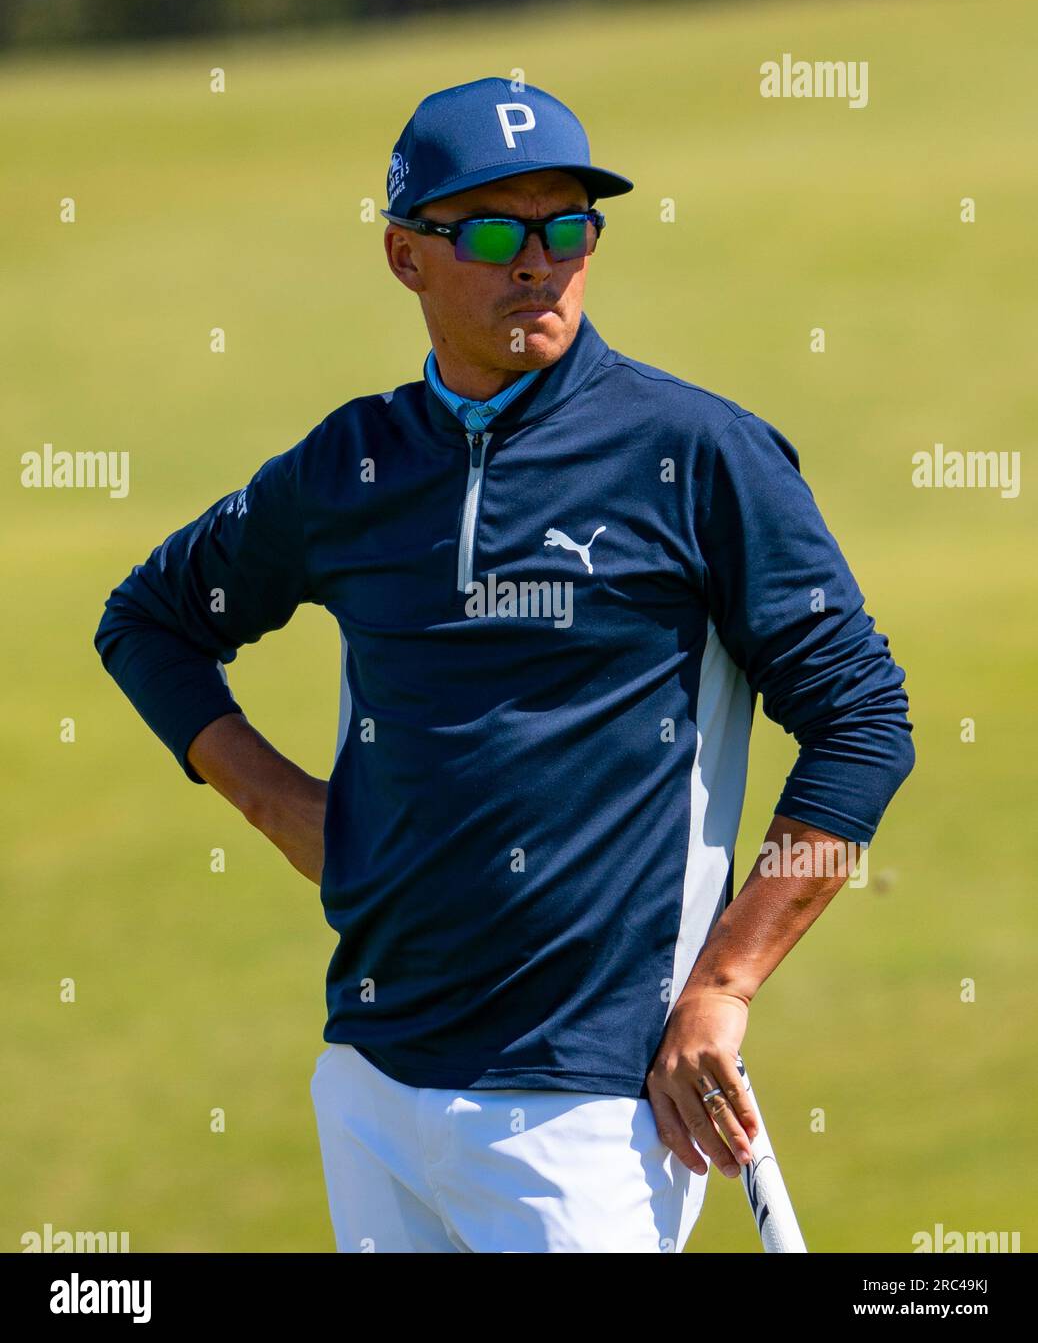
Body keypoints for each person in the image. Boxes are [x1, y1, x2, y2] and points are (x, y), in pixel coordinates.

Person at [94, 76, 915, 1253]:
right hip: (375, 1077)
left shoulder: (698, 454)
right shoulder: (351, 466)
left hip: (595, 1103)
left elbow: (867, 726)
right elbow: (149, 622)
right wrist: (288, 810)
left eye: (567, 226)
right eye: (491, 231)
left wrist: (724, 987)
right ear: (405, 257)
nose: (538, 261)